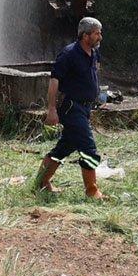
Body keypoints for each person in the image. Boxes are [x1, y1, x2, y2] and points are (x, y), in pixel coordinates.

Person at [35, 17, 106, 200]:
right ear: (85, 35)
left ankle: (42, 183)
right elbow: (54, 81)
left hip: (84, 109)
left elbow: (91, 76)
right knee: (89, 149)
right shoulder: (69, 54)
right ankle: (92, 191)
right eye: (97, 33)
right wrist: (51, 110)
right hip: (71, 108)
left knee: (64, 148)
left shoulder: (94, 52)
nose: (100, 37)